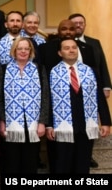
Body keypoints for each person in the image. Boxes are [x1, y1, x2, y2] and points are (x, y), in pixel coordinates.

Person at [46, 38, 111, 174]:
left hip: (86, 125)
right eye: (67, 48)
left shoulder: (90, 71)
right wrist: (49, 125)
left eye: (74, 47)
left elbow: (99, 97)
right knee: (62, 166)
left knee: (82, 166)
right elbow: (48, 100)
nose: (71, 50)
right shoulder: (52, 73)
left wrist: (105, 122)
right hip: (62, 127)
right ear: (59, 53)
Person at [0, 37, 49, 175]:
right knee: (10, 165)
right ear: (14, 50)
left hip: (32, 125)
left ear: (31, 51)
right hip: (10, 125)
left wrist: (42, 122)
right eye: (20, 48)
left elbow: (45, 96)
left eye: (27, 48)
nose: (23, 51)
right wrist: (1, 120)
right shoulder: (3, 69)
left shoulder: (39, 69)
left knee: (30, 165)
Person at [69, 13, 111, 97]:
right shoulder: (63, 43)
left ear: (84, 25)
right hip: (72, 85)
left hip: (93, 86)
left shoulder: (94, 43)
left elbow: (102, 64)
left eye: (81, 23)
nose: (78, 25)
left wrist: (106, 86)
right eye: (75, 23)